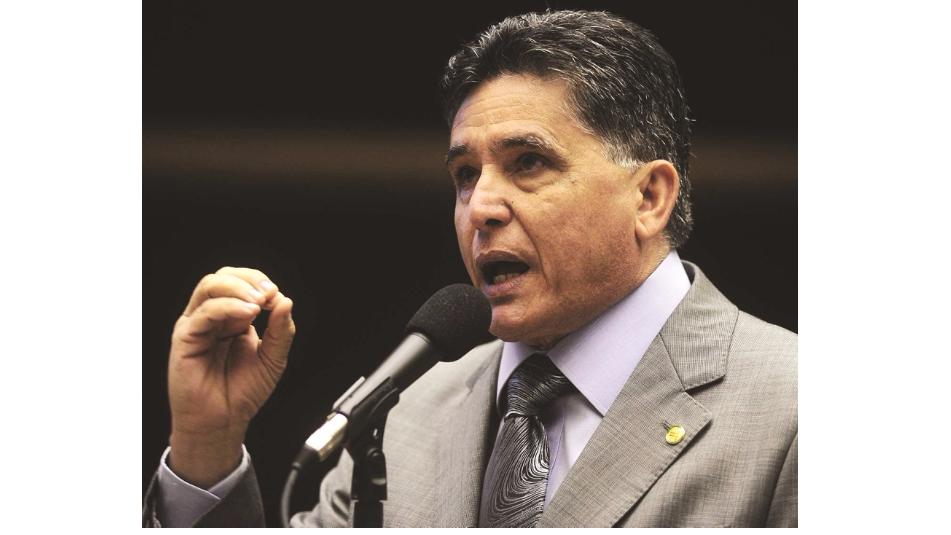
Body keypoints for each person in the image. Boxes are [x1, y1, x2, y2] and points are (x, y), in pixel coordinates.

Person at [143, 10, 796, 527]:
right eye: (464, 174)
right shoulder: (402, 415)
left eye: (527, 163)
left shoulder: (795, 410)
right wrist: (207, 443)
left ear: (648, 197)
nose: (479, 207)